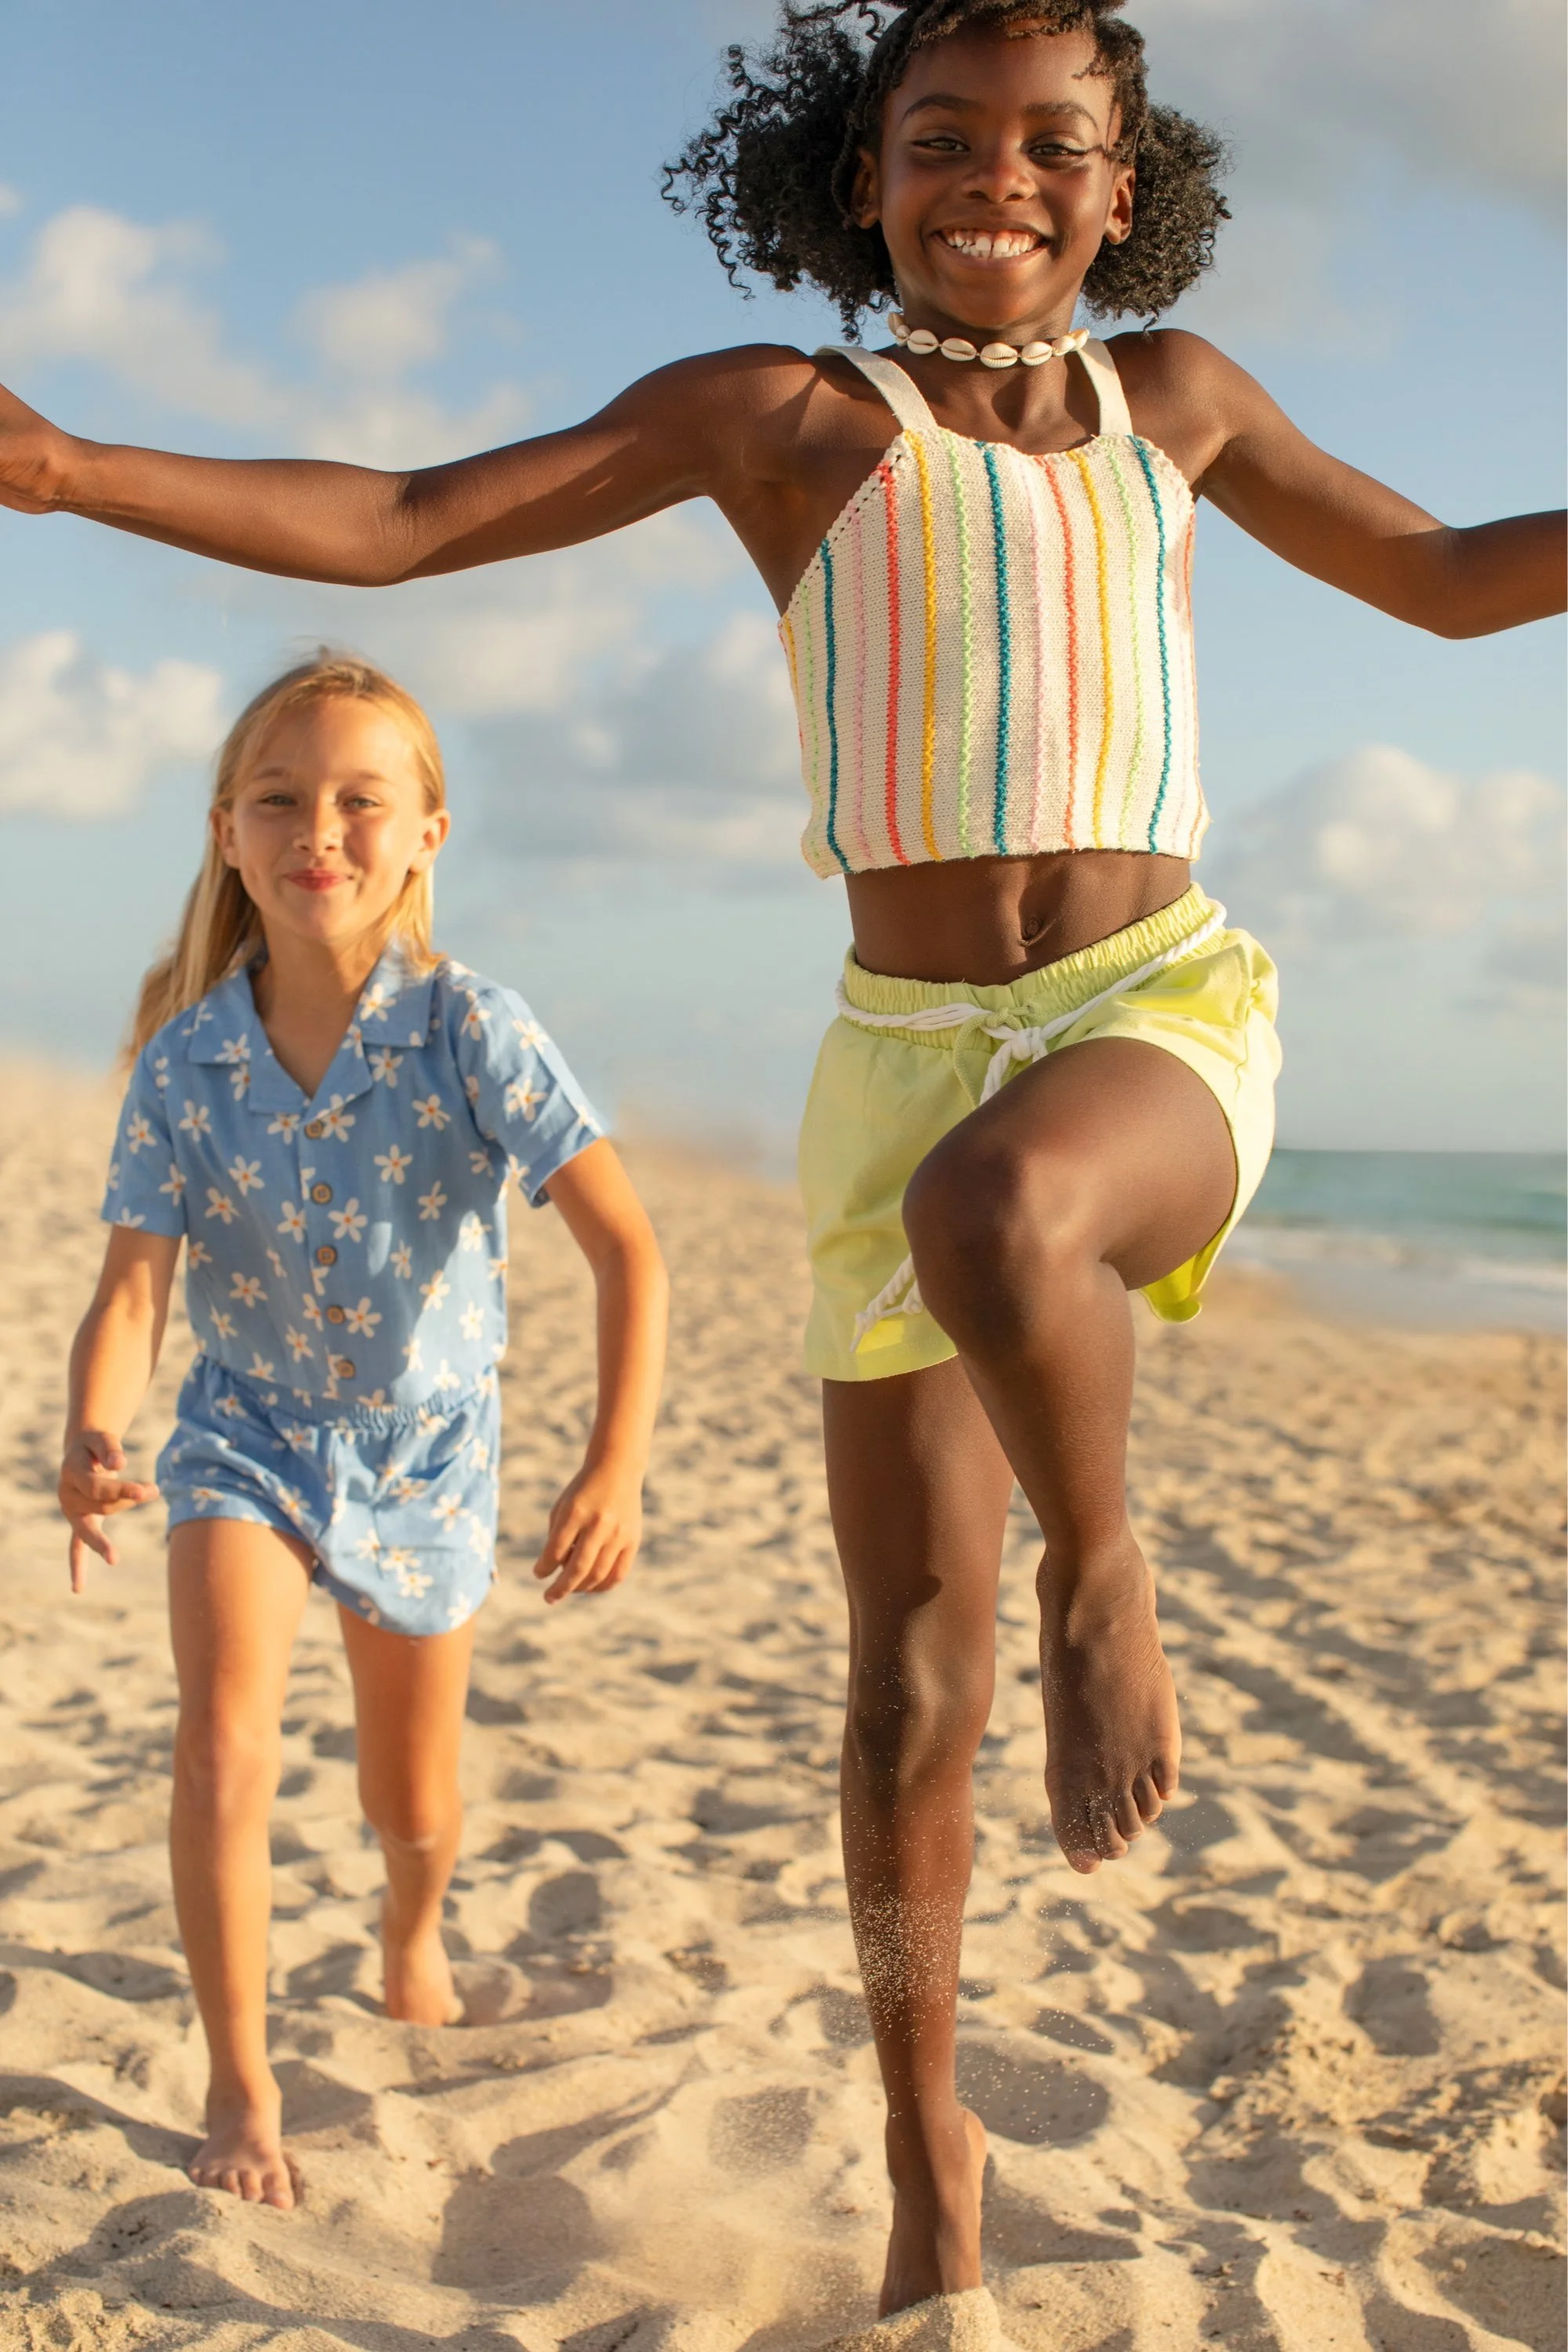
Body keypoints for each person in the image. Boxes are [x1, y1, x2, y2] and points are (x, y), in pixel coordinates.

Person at [8, 0, 1562, 2310]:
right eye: (946, 140)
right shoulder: (791, 424)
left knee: (1004, 1220)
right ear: (865, 174)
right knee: (904, 1685)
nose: (999, 181)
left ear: (1125, 190)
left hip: (1153, 1013)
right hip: (897, 1050)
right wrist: (63, 470)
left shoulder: (1188, 402)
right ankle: (934, 2178)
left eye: (1055, 146)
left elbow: (1442, 579)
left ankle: (1107, 1574)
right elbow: (416, 521)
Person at [55, 652, 668, 2216]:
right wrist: (92, 1425)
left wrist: (614, 1461)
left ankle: (410, 1931)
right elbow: (134, 1289)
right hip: (243, 1442)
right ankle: (243, 2079)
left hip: (427, 1461)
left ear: (425, 836)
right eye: (279, 798)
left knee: (415, 1806)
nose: (316, 827)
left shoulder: (472, 1029)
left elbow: (627, 1250)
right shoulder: (186, 1064)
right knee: (222, 1749)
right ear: (227, 833)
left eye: (356, 800)